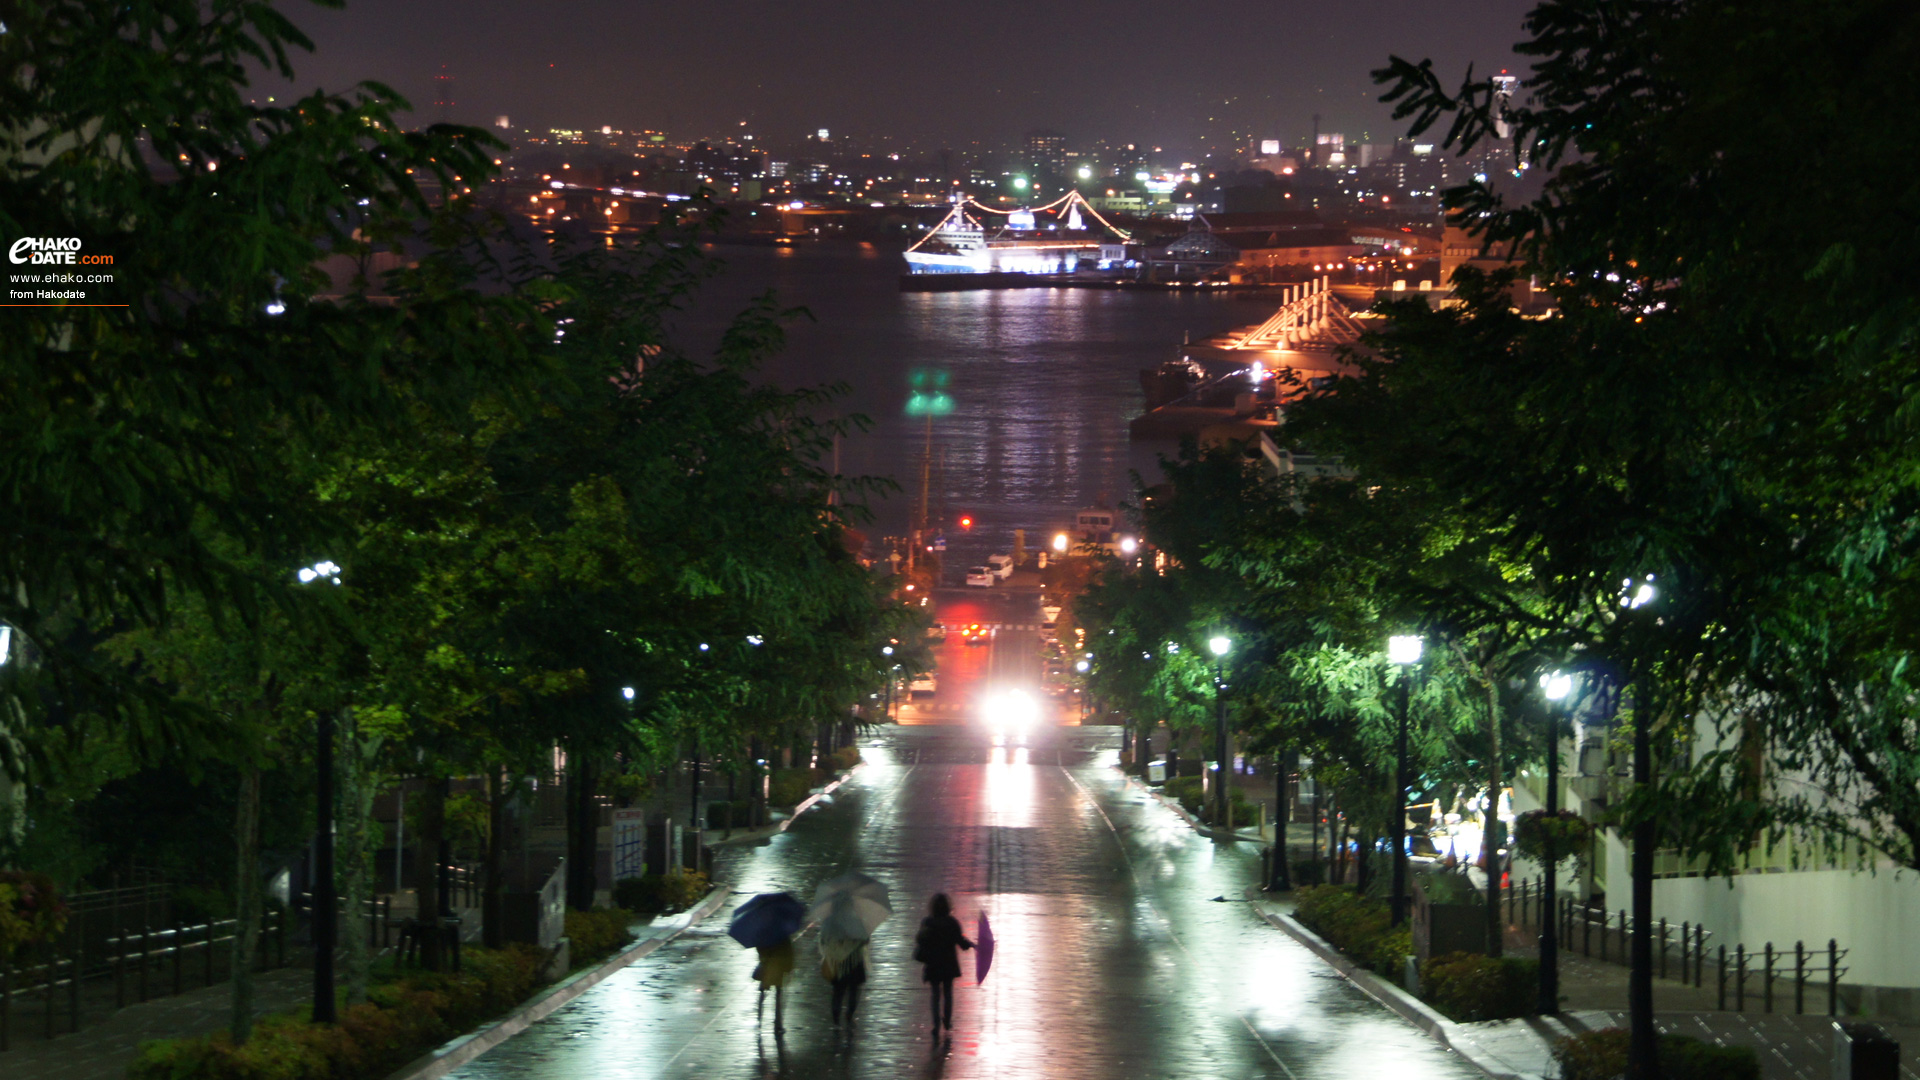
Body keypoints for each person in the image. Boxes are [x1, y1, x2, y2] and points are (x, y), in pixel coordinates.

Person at [913, 892, 973, 1036]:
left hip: (933, 964)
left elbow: (920, 940)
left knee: (935, 994)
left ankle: (936, 1024)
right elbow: (961, 942)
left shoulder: (927, 922)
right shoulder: (952, 923)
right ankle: (947, 1020)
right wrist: (970, 944)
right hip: (948, 964)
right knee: (948, 993)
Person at [819, 935, 870, 1025]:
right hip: (855, 961)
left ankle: (836, 1019)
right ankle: (849, 1015)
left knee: (838, 992)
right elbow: (865, 940)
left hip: (839, 961)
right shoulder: (857, 924)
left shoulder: (834, 924)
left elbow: (825, 940)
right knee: (854, 990)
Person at [753, 935, 796, 1035]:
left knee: (762, 994)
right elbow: (788, 953)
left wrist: (763, 959)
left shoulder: (763, 932)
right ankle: (778, 1024)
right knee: (778, 996)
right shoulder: (782, 934)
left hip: (766, 967)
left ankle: (759, 1020)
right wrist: (788, 968)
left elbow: (759, 949)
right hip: (778, 968)